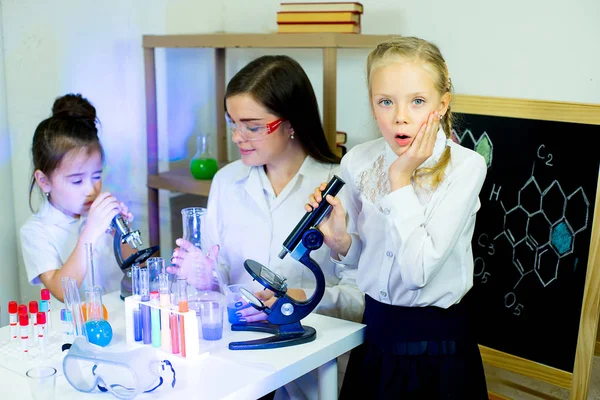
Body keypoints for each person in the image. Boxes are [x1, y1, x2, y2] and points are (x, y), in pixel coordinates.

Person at [170, 55, 364, 399]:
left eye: (253, 126)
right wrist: (206, 277)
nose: (237, 137)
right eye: (233, 123)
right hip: (235, 362)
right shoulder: (227, 181)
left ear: (291, 123)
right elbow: (222, 273)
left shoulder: (338, 189)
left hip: (310, 366)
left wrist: (298, 298)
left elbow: (359, 299)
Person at [306, 37, 489, 399]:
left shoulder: (466, 167)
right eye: (385, 101)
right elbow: (366, 260)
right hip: (375, 338)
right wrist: (342, 241)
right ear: (373, 107)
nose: (400, 116)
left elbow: (418, 272)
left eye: (417, 101)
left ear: (442, 104)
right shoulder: (357, 161)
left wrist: (399, 178)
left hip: (438, 349)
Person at [20, 93, 135, 302]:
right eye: (76, 181)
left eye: (97, 176)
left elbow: (138, 268)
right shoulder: (35, 231)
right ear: (44, 181)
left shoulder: (100, 214)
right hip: (73, 331)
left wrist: (122, 233)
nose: (91, 189)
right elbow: (63, 291)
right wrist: (91, 231)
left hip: (118, 318)